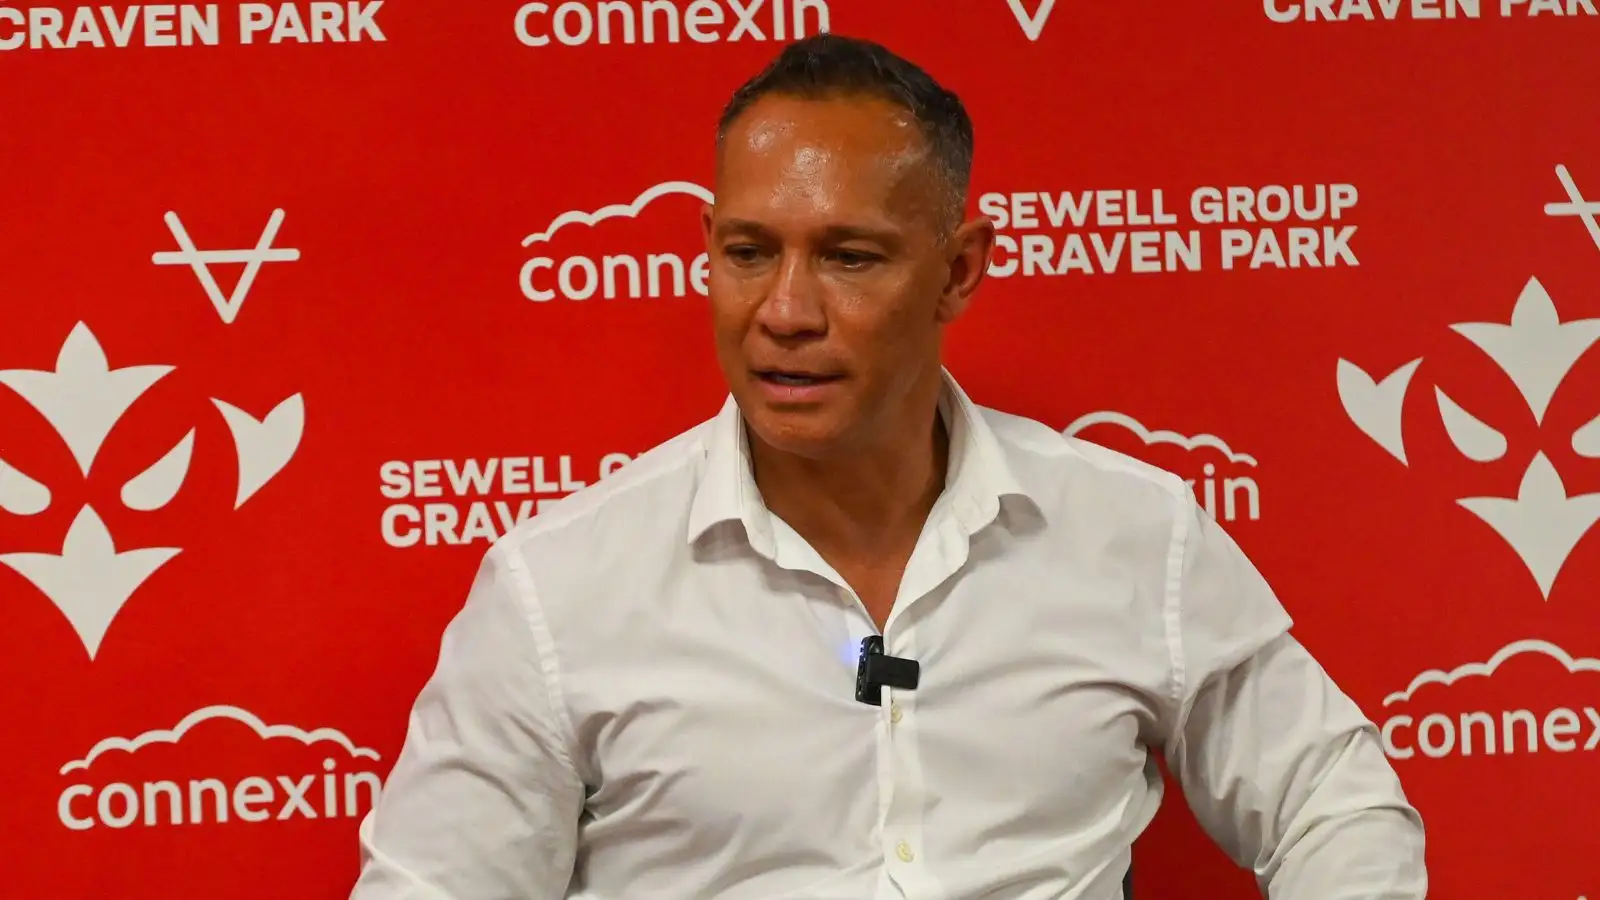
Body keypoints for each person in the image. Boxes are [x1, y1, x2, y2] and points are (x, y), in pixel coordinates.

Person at [349, 33, 1426, 900]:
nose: (784, 312)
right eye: (748, 252)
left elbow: (1334, 801)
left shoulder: (1135, 535)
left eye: (848, 257)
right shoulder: (559, 587)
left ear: (958, 271)